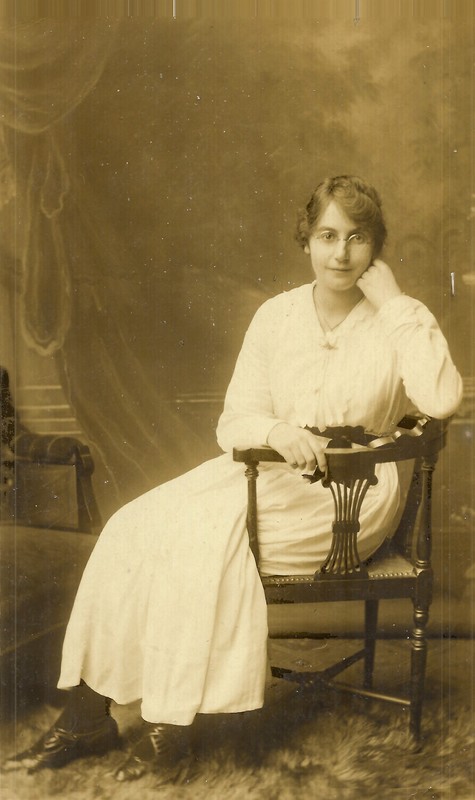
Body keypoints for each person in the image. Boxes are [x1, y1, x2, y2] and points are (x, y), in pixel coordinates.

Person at [3, 175, 463, 783]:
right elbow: (235, 419)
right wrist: (275, 431)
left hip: (350, 502)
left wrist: (397, 304)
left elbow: (442, 399)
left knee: (198, 538)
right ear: (307, 240)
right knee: (129, 525)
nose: (341, 253)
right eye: (328, 236)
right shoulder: (277, 316)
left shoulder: (400, 317)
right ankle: (86, 714)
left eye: (357, 238)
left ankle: (170, 722)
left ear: (376, 247)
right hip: (264, 475)